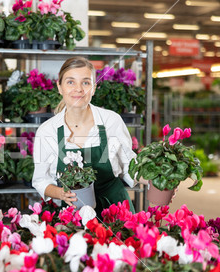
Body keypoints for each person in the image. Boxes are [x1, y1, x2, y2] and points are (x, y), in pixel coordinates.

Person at [32, 56, 143, 214]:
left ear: (94, 87)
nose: (78, 89)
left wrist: (154, 178)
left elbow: (129, 165)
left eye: (85, 82)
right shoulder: (48, 131)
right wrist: (61, 194)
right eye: (70, 82)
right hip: (74, 212)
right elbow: (41, 181)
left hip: (115, 208)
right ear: (59, 87)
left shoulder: (111, 121)